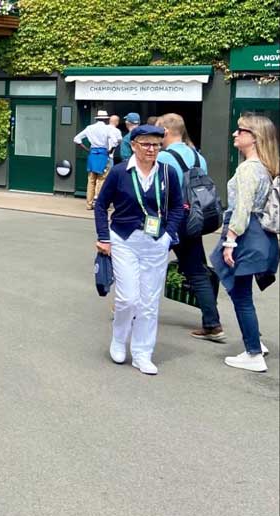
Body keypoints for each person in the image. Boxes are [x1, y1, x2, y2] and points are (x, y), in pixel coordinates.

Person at [95, 125, 184, 375]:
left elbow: (178, 207)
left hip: (156, 243)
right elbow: (101, 206)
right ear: (134, 145)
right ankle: (118, 338)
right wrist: (104, 237)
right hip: (124, 240)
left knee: (149, 302)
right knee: (128, 298)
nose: (151, 149)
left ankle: (143, 353)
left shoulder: (167, 173)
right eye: (146, 144)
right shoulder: (120, 172)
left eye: (156, 145)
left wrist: (168, 236)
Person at [211, 115, 279, 373]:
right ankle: (255, 343)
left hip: (246, 235)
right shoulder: (265, 166)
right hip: (260, 235)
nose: (234, 134)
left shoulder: (248, 168)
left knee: (241, 296)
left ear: (255, 136)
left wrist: (230, 240)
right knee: (242, 294)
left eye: (241, 130)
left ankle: (253, 353)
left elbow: (242, 208)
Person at [155, 113, 225, 342]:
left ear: (165, 131)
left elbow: (161, 191)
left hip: (173, 220)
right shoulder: (197, 155)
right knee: (196, 271)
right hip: (195, 219)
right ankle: (212, 324)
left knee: (145, 262)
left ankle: (129, 308)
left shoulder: (164, 157)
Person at [75, 110, 123, 210]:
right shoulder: (107, 129)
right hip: (103, 154)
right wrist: (110, 151)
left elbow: (76, 139)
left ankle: (89, 204)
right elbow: (115, 142)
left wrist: (87, 149)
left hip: (92, 154)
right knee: (102, 179)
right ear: (105, 119)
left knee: (91, 180)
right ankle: (99, 203)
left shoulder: (89, 128)